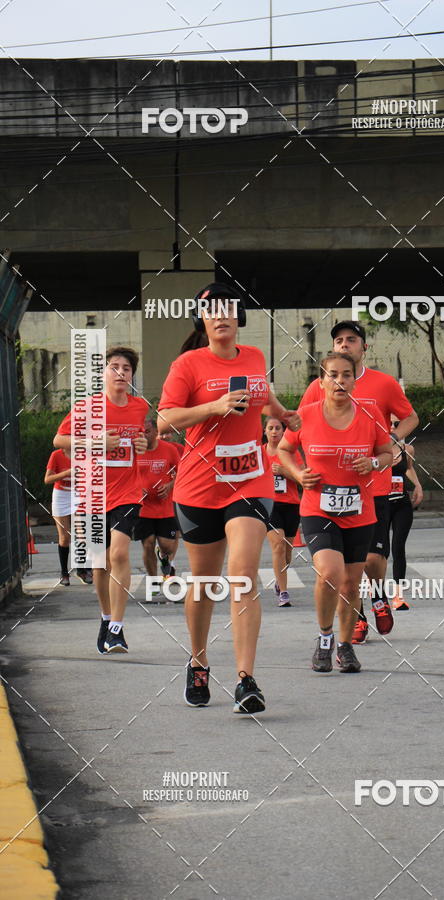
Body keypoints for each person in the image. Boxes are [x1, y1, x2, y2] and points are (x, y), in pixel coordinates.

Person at [158, 282, 300, 714]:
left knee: (241, 573)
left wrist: (281, 413)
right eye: (210, 310)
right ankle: (198, 660)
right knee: (202, 582)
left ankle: (245, 680)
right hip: (200, 486)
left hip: (250, 482)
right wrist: (213, 408)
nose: (220, 316)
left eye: (227, 308)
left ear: (238, 316)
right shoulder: (188, 364)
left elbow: (264, 394)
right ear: (202, 319)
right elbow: (164, 420)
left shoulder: (254, 356)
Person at [299, 321, 418, 644]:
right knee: (341, 572)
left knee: (373, 560)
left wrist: (390, 443)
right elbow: (299, 431)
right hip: (327, 494)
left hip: (372, 487)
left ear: (364, 347)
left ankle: (378, 594)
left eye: (351, 340)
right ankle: (359, 617)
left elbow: (411, 417)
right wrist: (300, 471)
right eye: (339, 340)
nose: (344, 345)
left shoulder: (383, 383)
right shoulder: (318, 386)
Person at [278, 351, 392, 674]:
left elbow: (388, 453)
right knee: (330, 572)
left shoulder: (370, 414)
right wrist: (299, 475)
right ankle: (324, 637)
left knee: (351, 585)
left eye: (346, 375)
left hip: (359, 511)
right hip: (318, 508)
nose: (339, 381)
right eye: (333, 375)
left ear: (354, 380)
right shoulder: (307, 414)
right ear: (322, 380)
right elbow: (283, 450)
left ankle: (345, 646)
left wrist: (372, 463)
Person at [54, 347, 148, 654]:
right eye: (114, 367)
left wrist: (144, 442)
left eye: (127, 369)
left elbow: (145, 441)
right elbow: (60, 441)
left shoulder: (140, 407)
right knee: (100, 564)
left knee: (119, 554)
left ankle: (117, 629)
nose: (120, 372)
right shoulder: (87, 407)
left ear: (132, 376)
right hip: (92, 494)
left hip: (127, 491)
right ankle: (106, 619)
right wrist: (96, 442)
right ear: (104, 373)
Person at [136, 417, 181, 598]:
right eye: (141, 432)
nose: (143, 436)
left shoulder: (169, 450)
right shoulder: (135, 451)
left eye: (146, 432)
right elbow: (124, 474)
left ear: (155, 432)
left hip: (165, 507)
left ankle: (164, 558)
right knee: (147, 543)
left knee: (167, 546)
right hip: (143, 507)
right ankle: (153, 580)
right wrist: (138, 488)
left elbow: (182, 471)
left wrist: (170, 486)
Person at [262, 417, 304, 607]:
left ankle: (280, 581)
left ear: (283, 432)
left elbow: (303, 478)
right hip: (269, 505)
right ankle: (284, 593)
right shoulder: (259, 453)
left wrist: (285, 472)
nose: (274, 431)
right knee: (277, 545)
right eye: (270, 428)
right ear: (265, 431)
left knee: (286, 554)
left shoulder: (291, 452)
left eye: (278, 428)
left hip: (291, 505)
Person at [44, 446, 92, 586]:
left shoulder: (85, 453)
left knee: (82, 534)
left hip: (79, 493)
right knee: (64, 538)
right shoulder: (56, 455)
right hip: (61, 495)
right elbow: (47, 479)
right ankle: (64, 573)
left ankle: (81, 570)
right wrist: (67, 473)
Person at [389, 427, 423, 610]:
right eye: (390, 423)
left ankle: (398, 596)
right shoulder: (374, 449)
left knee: (398, 547)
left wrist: (417, 485)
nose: (394, 427)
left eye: (397, 423)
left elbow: (409, 468)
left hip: (401, 503)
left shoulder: (407, 449)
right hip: (380, 505)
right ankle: (375, 595)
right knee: (378, 553)